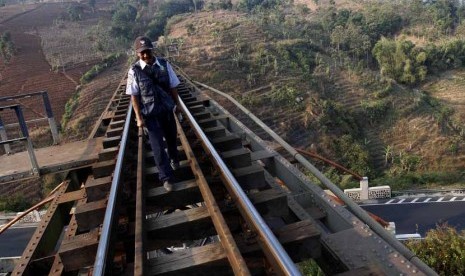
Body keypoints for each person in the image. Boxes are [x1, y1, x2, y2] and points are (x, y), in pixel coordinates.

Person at [126, 36, 181, 192]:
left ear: (152, 49)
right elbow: (134, 96)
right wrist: (138, 118)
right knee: (157, 147)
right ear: (137, 54)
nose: (145, 55)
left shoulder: (164, 65)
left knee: (171, 139)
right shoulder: (134, 71)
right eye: (142, 53)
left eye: (147, 51)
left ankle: (174, 159)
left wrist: (177, 106)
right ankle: (166, 177)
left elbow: (173, 86)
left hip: (166, 111)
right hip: (150, 115)